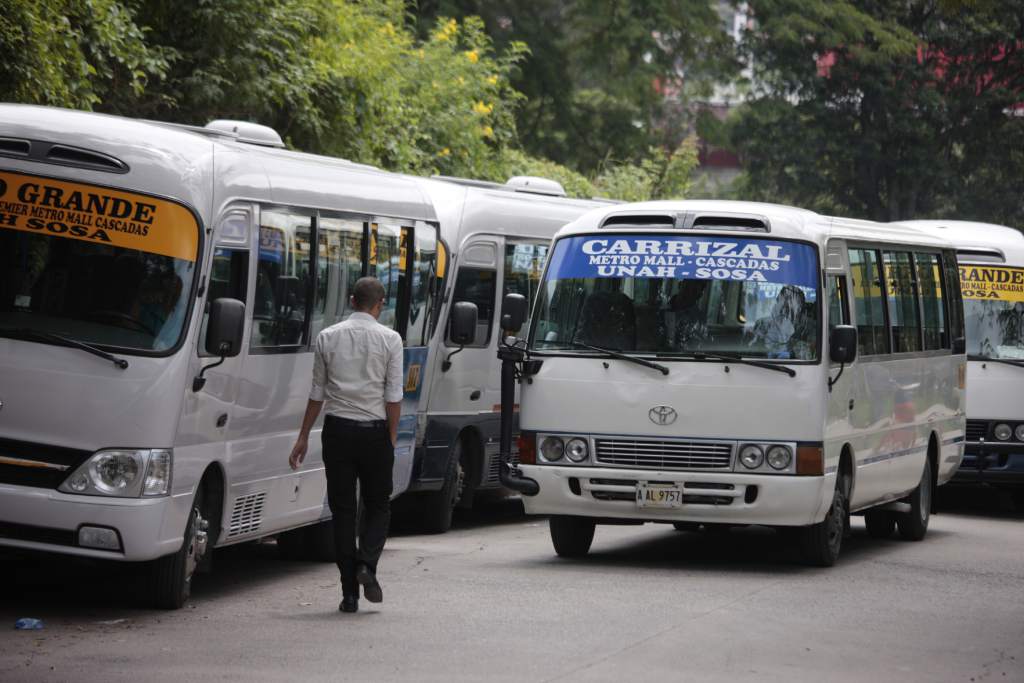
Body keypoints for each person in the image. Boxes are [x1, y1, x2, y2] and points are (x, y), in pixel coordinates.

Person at [288, 276, 403, 613]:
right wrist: (391, 438)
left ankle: (349, 593)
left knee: (342, 511)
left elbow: (316, 394)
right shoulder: (391, 340)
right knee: (378, 505)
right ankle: (367, 564)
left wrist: (303, 435)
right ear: (379, 305)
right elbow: (393, 396)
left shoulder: (328, 337)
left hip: (337, 431)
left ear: (352, 300)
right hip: (374, 432)